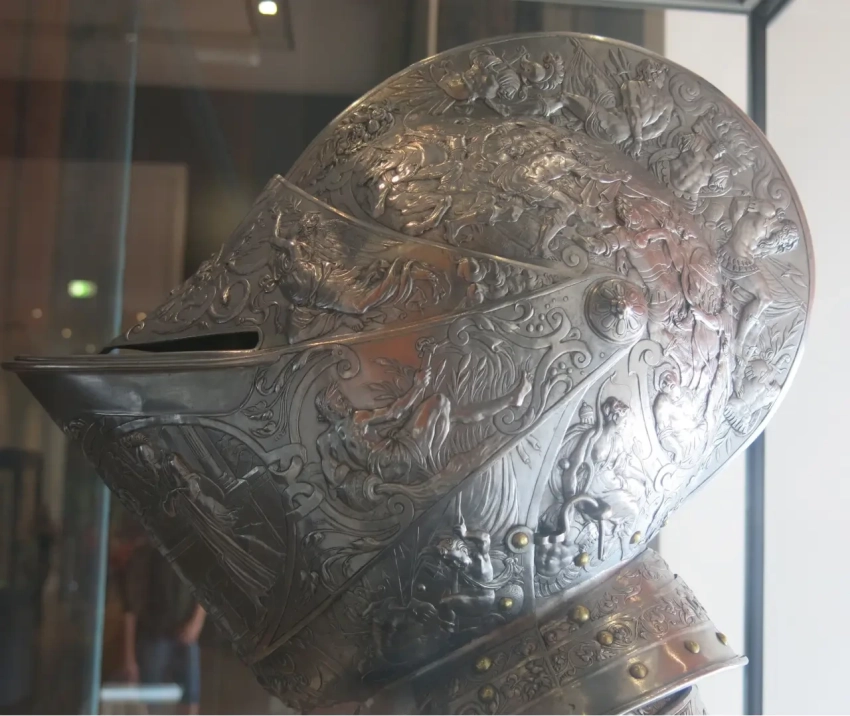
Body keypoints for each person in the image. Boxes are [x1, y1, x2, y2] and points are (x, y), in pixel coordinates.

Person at [121, 539, 206, 715]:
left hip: (186, 634)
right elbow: (130, 608)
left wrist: (196, 623)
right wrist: (129, 658)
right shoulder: (145, 553)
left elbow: (206, 588)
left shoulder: (190, 547)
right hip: (154, 634)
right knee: (152, 702)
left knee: (190, 699)